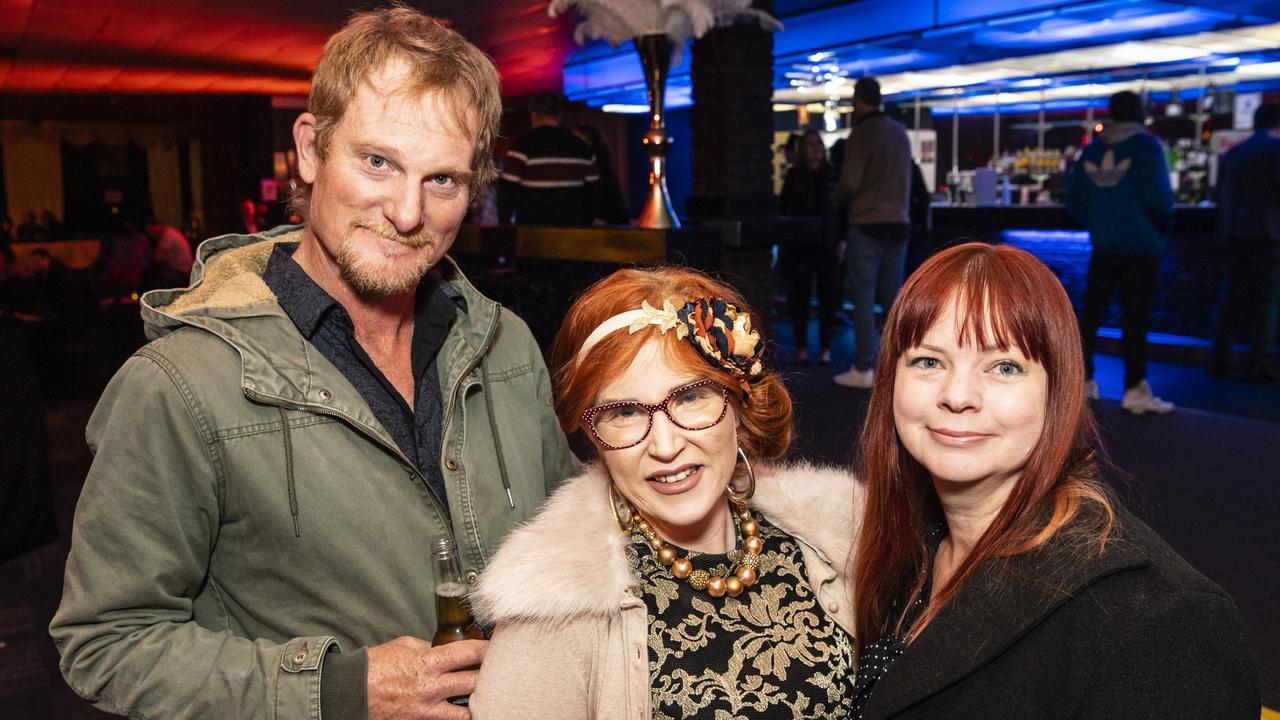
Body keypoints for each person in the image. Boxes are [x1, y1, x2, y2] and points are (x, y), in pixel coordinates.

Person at [50, 8, 578, 720]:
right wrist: (338, 689)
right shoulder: (178, 385)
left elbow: (565, 527)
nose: (406, 211)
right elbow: (106, 642)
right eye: (377, 161)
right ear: (310, 150)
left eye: (443, 180)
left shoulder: (507, 344)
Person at [849, 242, 1259, 718]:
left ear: (1057, 392)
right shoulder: (907, 546)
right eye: (928, 361)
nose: (957, 395)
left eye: (1004, 367)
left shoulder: (1160, 621)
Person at [469, 267, 863, 719]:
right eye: (625, 412)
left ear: (738, 401)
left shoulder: (831, 543)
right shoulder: (554, 607)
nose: (665, 445)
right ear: (593, 436)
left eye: (691, 398)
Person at [1067, 90, 1176, 414]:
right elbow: (1161, 199)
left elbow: (1074, 202)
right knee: (1135, 319)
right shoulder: (1147, 148)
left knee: (1091, 316)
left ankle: (1083, 383)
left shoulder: (1091, 152)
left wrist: (1101, 222)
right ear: (1140, 113)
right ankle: (1134, 390)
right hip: (1140, 246)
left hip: (1103, 246)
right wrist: (1156, 230)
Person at [832, 76, 913, 389]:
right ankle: (899, 369)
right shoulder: (900, 133)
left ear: (858, 100)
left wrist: (835, 197)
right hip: (899, 223)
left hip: (867, 222)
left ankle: (864, 367)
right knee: (894, 300)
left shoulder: (863, 133)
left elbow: (850, 182)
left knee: (863, 298)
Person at [1210, 102, 1280, 383]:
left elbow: (1219, 195)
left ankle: (1218, 360)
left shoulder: (1234, 153)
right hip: (1268, 233)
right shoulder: (1276, 151)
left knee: (1230, 299)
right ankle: (1259, 365)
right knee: (1266, 302)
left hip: (1234, 233)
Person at [779, 129, 841, 364]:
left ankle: (824, 347)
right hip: (800, 244)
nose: (815, 148)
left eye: (818, 144)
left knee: (828, 298)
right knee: (800, 298)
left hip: (827, 242)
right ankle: (802, 346)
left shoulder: (833, 175)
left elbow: (841, 211)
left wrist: (841, 239)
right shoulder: (795, 175)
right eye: (810, 144)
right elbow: (785, 211)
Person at [496, 92, 601, 225]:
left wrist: (505, 226)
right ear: (559, 116)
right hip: (573, 232)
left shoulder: (522, 146)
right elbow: (593, 195)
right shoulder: (582, 148)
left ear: (533, 116)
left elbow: (507, 194)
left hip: (532, 234)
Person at [574, 124, 629, 224]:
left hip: (606, 229)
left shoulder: (600, 169)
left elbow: (605, 203)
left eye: (577, 142)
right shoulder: (602, 167)